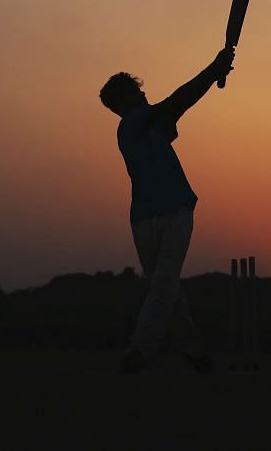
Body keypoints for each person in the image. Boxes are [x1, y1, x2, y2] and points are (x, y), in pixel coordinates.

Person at [99, 47, 235, 373]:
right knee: (167, 290)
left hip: (176, 211)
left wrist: (213, 73)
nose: (143, 93)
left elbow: (182, 103)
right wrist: (213, 68)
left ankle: (139, 352)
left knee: (163, 283)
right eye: (135, 90)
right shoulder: (130, 126)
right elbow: (178, 100)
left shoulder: (154, 126)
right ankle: (194, 351)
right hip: (144, 218)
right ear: (122, 103)